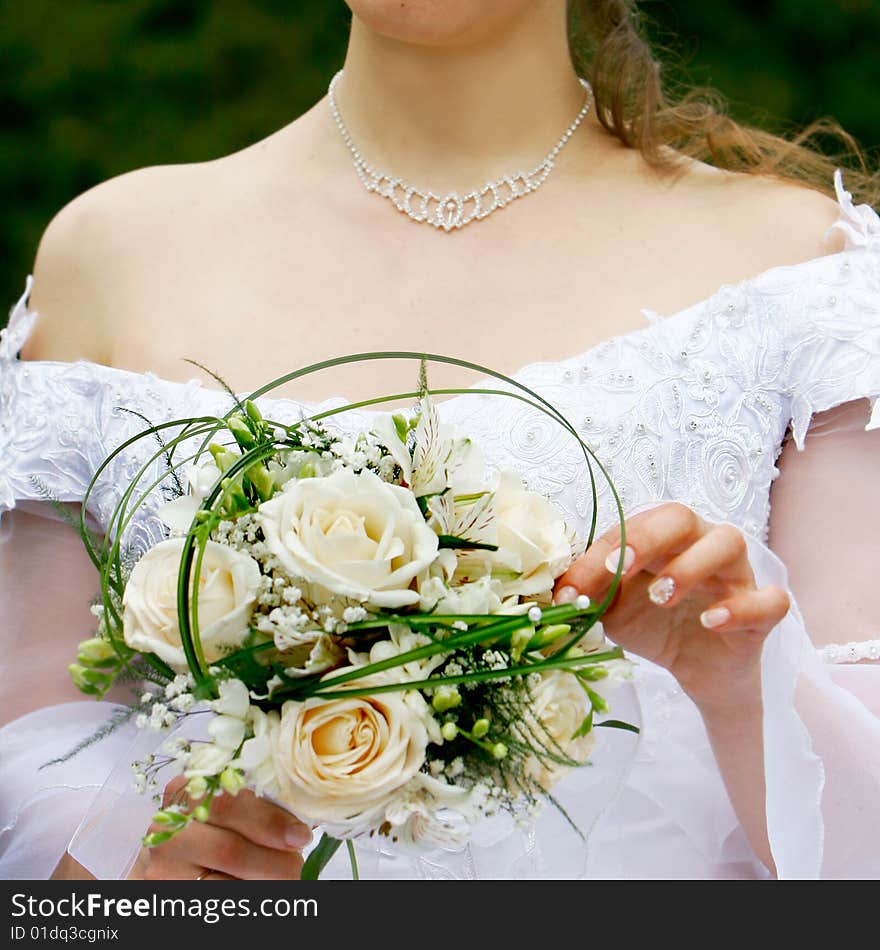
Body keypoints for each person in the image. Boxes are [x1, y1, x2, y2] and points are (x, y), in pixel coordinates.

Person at [1, 0, 878, 880]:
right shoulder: (113, 256)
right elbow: (33, 770)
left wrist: (741, 688)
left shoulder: (796, 270)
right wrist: (127, 872)